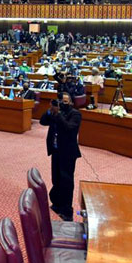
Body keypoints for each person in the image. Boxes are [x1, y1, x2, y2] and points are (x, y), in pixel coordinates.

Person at [39, 92, 82, 221]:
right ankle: (57, 204)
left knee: (66, 181)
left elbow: (69, 129)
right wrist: (49, 111)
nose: (62, 103)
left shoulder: (75, 114)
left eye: (65, 101)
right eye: (60, 101)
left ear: (71, 102)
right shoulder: (55, 113)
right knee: (56, 179)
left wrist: (57, 114)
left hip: (68, 153)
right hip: (56, 151)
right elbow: (42, 121)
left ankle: (67, 211)